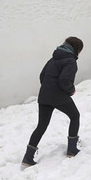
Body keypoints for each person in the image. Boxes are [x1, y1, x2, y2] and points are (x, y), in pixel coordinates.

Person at [22, 37, 83, 167]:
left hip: (44, 96)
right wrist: (71, 90)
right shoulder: (70, 61)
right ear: (76, 49)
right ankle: (72, 149)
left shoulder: (53, 59)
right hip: (59, 96)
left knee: (41, 126)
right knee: (75, 116)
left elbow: (42, 76)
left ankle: (28, 158)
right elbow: (64, 80)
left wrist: (48, 88)